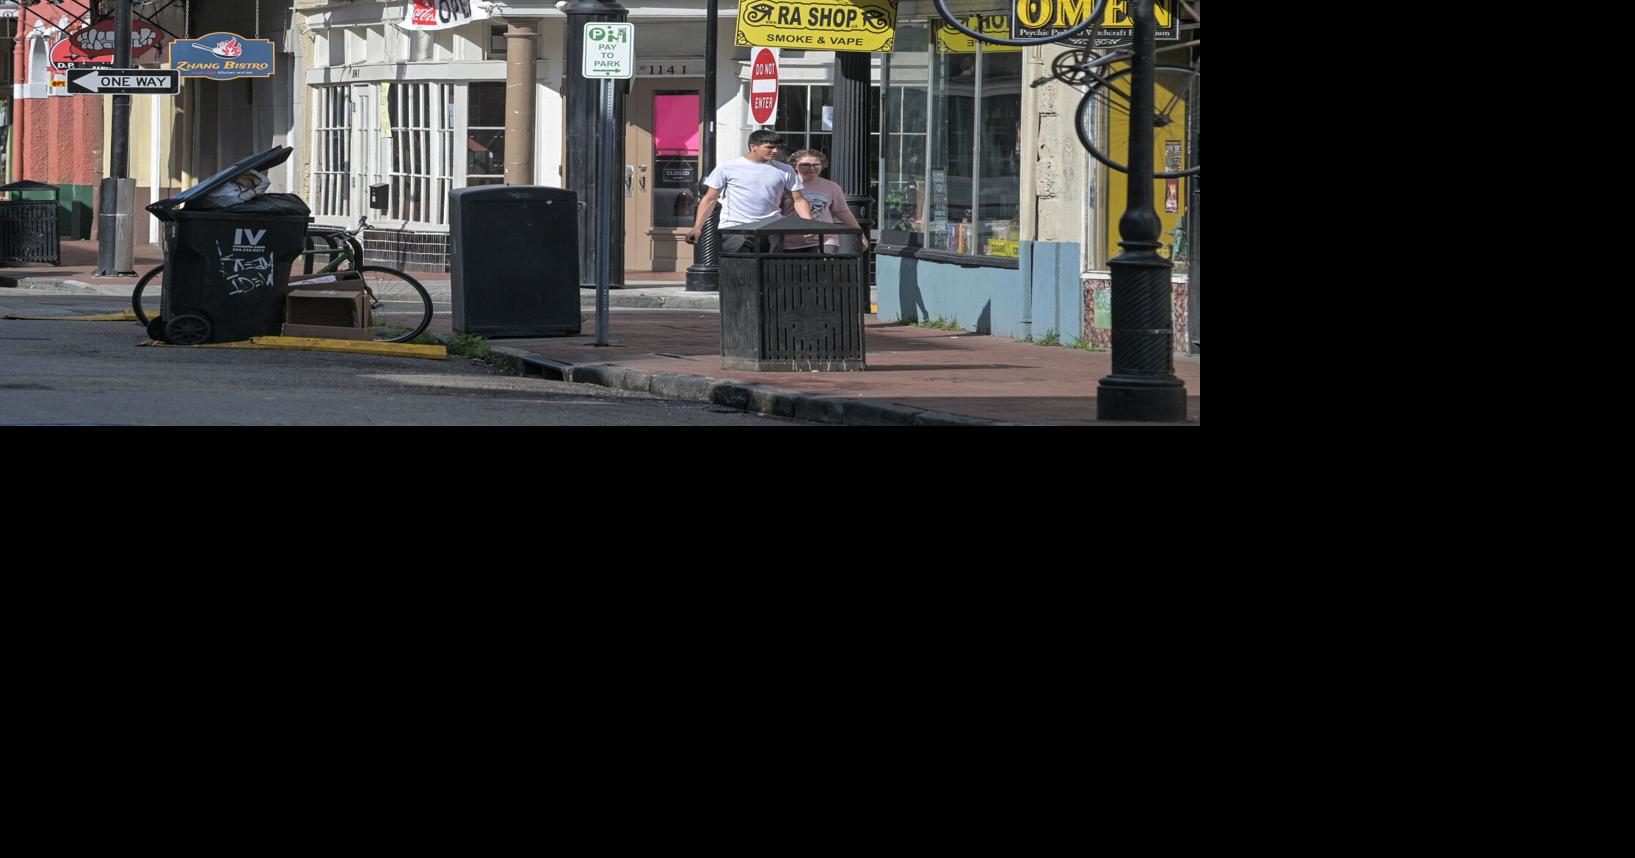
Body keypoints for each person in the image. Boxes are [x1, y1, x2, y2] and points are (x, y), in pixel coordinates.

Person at [686, 130, 812, 253]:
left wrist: (809, 225)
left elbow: (799, 199)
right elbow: (710, 199)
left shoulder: (785, 169)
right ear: (753, 147)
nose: (775, 151)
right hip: (736, 228)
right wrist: (697, 227)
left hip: (771, 229)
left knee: (769, 272)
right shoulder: (727, 168)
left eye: (777, 148)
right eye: (770, 147)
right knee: (738, 271)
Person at [781, 149, 870, 255]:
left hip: (825, 239)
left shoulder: (832, 186)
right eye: (806, 165)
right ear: (795, 166)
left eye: (816, 165)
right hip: (791, 241)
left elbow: (843, 212)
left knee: (823, 269)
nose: (812, 168)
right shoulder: (786, 185)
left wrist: (860, 234)